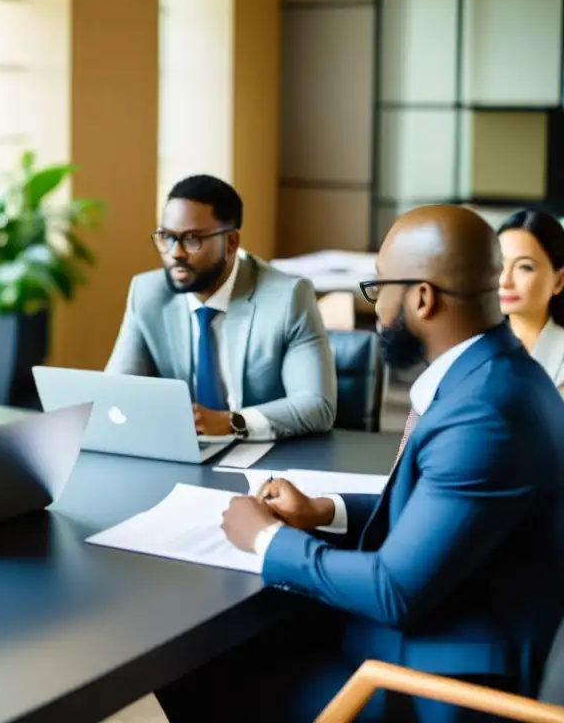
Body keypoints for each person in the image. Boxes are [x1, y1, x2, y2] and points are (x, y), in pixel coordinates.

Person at [159, 205, 564, 722]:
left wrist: (265, 539)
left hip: (436, 684)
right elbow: (440, 503)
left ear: (422, 297)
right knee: (231, 649)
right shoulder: (497, 374)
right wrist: (322, 511)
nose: (377, 307)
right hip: (447, 624)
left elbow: (393, 591)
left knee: (195, 674)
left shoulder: (485, 413)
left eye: (379, 288)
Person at [106, 174, 336, 440]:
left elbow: (318, 406)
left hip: (266, 459)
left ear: (231, 243)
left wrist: (231, 422)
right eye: (166, 237)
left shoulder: (288, 298)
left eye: (192, 239)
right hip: (183, 455)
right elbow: (116, 393)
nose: (176, 253)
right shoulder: (147, 294)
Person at [497, 208, 564, 392]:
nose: (505, 280)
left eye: (524, 267)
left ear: (558, 280)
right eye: (498, 265)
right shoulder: (472, 344)